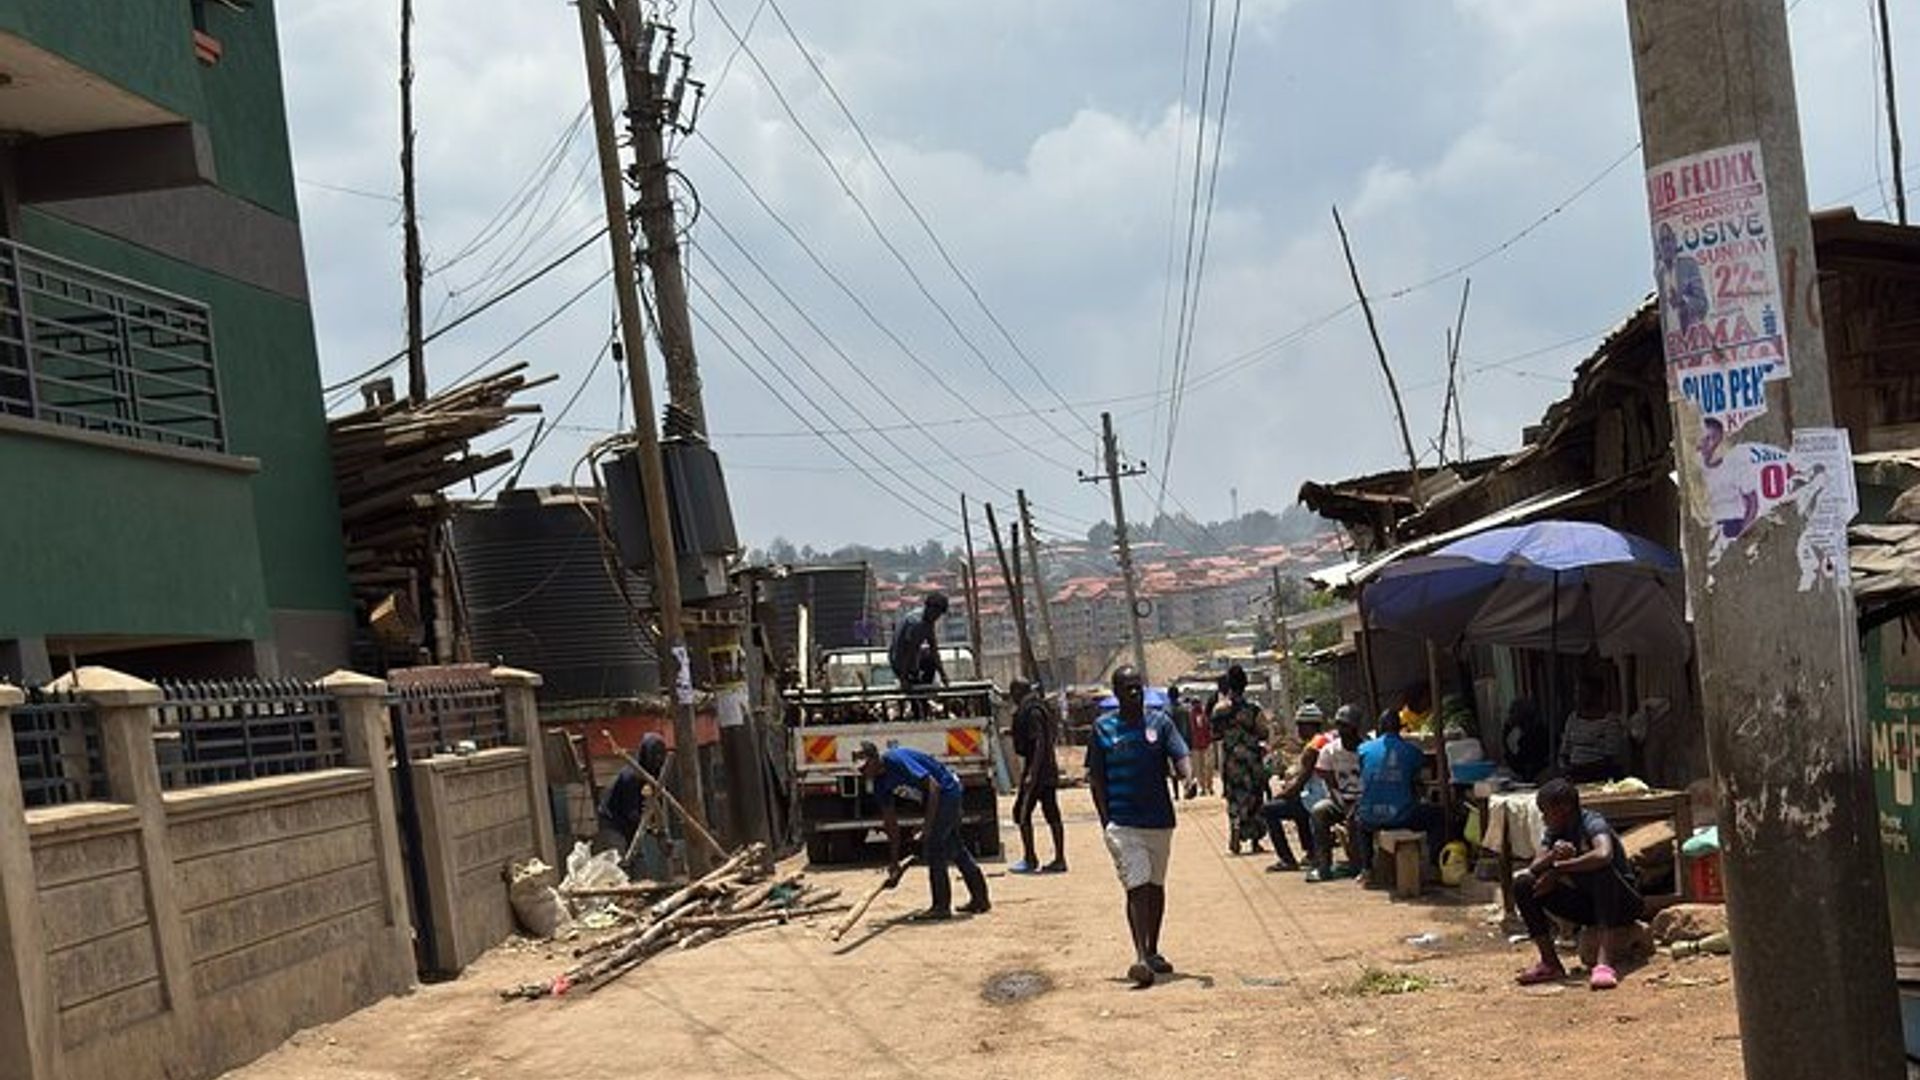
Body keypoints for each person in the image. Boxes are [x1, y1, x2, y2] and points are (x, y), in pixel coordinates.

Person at [1087, 665, 1193, 989]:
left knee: (1155, 886)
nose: (1134, 692)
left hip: (1159, 821)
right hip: (1123, 823)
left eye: (1137, 687)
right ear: (1116, 693)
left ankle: (1153, 949)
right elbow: (1096, 778)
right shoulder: (1102, 729)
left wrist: (1188, 778)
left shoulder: (1160, 723)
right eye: (1127, 688)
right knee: (1137, 884)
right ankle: (1140, 957)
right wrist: (1106, 821)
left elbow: (1180, 755)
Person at [1514, 779, 1645, 990]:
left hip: (1622, 904)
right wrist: (1553, 856)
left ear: (1564, 809)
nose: (1544, 818)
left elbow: (1603, 854)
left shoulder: (1592, 822)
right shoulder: (1555, 832)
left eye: (1546, 812)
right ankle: (1550, 963)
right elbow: (1535, 867)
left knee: (1600, 869)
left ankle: (1604, 963)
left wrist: (1559, 869)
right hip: (1591, 908)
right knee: (1523, 883)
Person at [854, 740, 990, 921]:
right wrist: (894, 862)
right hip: (934, 798)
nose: (863, 772)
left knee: (934, 846)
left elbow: (933, 786)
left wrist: (927, 826)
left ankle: (941, 907)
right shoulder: (879, 784)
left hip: (947, 791)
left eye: (865, 767)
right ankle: (980, 900)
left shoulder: (896, 760)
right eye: (860, 769)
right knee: (954, 846)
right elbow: (891, 824)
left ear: (875, 758)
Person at [1349, 711, 1447, 882]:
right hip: (1401, 816)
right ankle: (1433, 866)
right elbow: (1420, 775)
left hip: (1371, 817)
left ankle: (1366, 868)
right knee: (1438, 815)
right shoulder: (1412, 751)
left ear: (1379, 727)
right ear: (1400, 728)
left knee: (1360, 820)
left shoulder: (1364, 749)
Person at [1260, 702, 1340, 871]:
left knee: (1269, 809)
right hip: (1328, 795)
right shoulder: (1328, 740)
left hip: (1317, 799)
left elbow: (1299, 784)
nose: (1298, 730)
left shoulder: (1312, 749)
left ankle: (1287, 859)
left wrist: (1280, 795)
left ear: (1309, 725)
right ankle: (1311, 852)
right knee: (1297, 803)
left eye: (1300, 726)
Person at [1008, 678, 1067, 874]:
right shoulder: (1039, 707)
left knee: (1022, 813)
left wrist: (1032, 773)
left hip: (1038, 769)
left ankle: (1030, 858)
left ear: (1018, 692)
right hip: (1046, 767)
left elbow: (1039, 741)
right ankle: (1058, 858)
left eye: (1013, 693)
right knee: (1051, 811)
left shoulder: (1032, 711)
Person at [595, 733, 671, 880]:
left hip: (632, 823)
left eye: (661, 754)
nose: (658, 759)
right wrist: (653, 833)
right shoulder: (631, 776)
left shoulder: (655, 777)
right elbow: (632, 814)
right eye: (655, 754)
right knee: (620, 863)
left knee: (639, 867)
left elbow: (656, 806)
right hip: (613, 821)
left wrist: (662, 833)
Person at [1210, 665, 1268, 855]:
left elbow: (1214, 734)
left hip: (1232, 760)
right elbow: (1263, 732)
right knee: (1255, 797)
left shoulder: (1220, 710)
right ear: (1245, 685)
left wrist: (1230, 734)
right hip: (1252, 760)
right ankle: (1255, 841)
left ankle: (1235, 824)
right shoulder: (1253, 709)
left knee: (1234, 797)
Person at [1305, 708, 1366, 882]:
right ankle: (1323, 866)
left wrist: (1356, 804)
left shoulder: (1366, 749)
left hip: (1364, 800)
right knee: (1319, 811)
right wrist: (1342, 803)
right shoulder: (1329, 751)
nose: (1342, 730)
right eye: (1339, 725)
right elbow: (1331, 784)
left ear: (1355, 728)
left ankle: (1360, 864)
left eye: (1346, 726)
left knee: (1356, 818)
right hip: (1340, 800)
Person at [1560, 674, 1630, 783]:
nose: (1577, 697)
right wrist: (1566, 767)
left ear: (1596, 695)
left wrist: (1583, 769)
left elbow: (1611, 757)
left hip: (1597, 774)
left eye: (1582, 693)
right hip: (1573, 772)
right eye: (1577, 692)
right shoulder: (1573, 718)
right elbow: (1565, 750)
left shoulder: (1610, 721)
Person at [889, 592, 951, 690]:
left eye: (939, 615)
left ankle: (924, 686)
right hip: (901, 662)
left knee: (930, 658)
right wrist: (903, 677)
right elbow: (909, 650)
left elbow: (933, 649)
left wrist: (943, 675)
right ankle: (918, 685)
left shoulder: (927, 620)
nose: (937, 617)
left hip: (910, 658)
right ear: (929, 608)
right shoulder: (917, 624)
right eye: (936, 613)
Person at [1503, 698, 1549, 782]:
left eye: (1513, 712)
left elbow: (1533, 757)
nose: (1510, 716)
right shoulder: (1513, 731)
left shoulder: (1538, 732)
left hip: (1538, 773)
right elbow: (1509, 753)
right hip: (1518, 773)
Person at [1186, 696, 1216, 796]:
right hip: (1196, 745)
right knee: (1199, 768)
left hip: (1205, 743)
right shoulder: (1190, 715)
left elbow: (1208, 728)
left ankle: (1209, 786)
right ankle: (1203, 787)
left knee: (1208, 767)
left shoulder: (1204, 714)